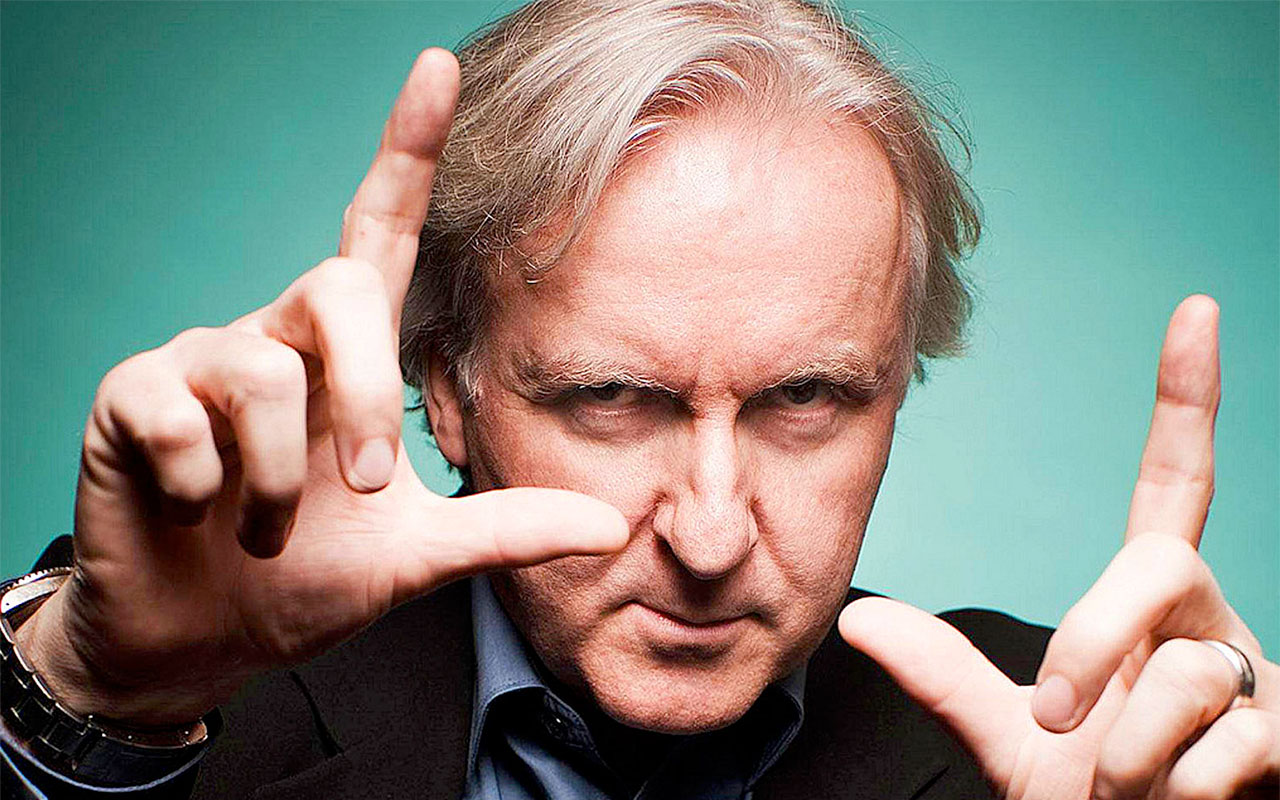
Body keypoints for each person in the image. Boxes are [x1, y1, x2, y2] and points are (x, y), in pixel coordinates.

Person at [1, 1, 1274, 798]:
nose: (710, 538)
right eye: (611, 396)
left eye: (806, 397)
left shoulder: (1090, 747)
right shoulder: (188, 706)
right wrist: (89, 701)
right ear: (444, 387)